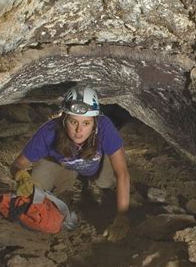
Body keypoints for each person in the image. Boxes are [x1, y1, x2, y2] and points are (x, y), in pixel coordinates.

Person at [9, 85, 130, 242]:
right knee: (36, 185)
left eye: (86, 123)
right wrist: (20, 175)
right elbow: (18, 164)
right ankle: (68, 182)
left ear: (94, 122)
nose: (79, 130)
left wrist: (122, 215)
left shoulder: (104, 127)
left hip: (97, 164)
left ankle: (95, 182)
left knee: (106, 181)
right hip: (65, 167)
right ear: (64, 118)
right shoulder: (49, 131)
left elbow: (122, 173)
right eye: (73, 122)